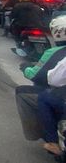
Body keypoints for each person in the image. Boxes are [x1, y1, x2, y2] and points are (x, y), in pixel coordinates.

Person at [15, 16, 66, 145]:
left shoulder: (53, 52)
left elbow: (38, 76)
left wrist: (26, 67)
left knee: (29, 94)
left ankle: (49, 138)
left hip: (59, 96)